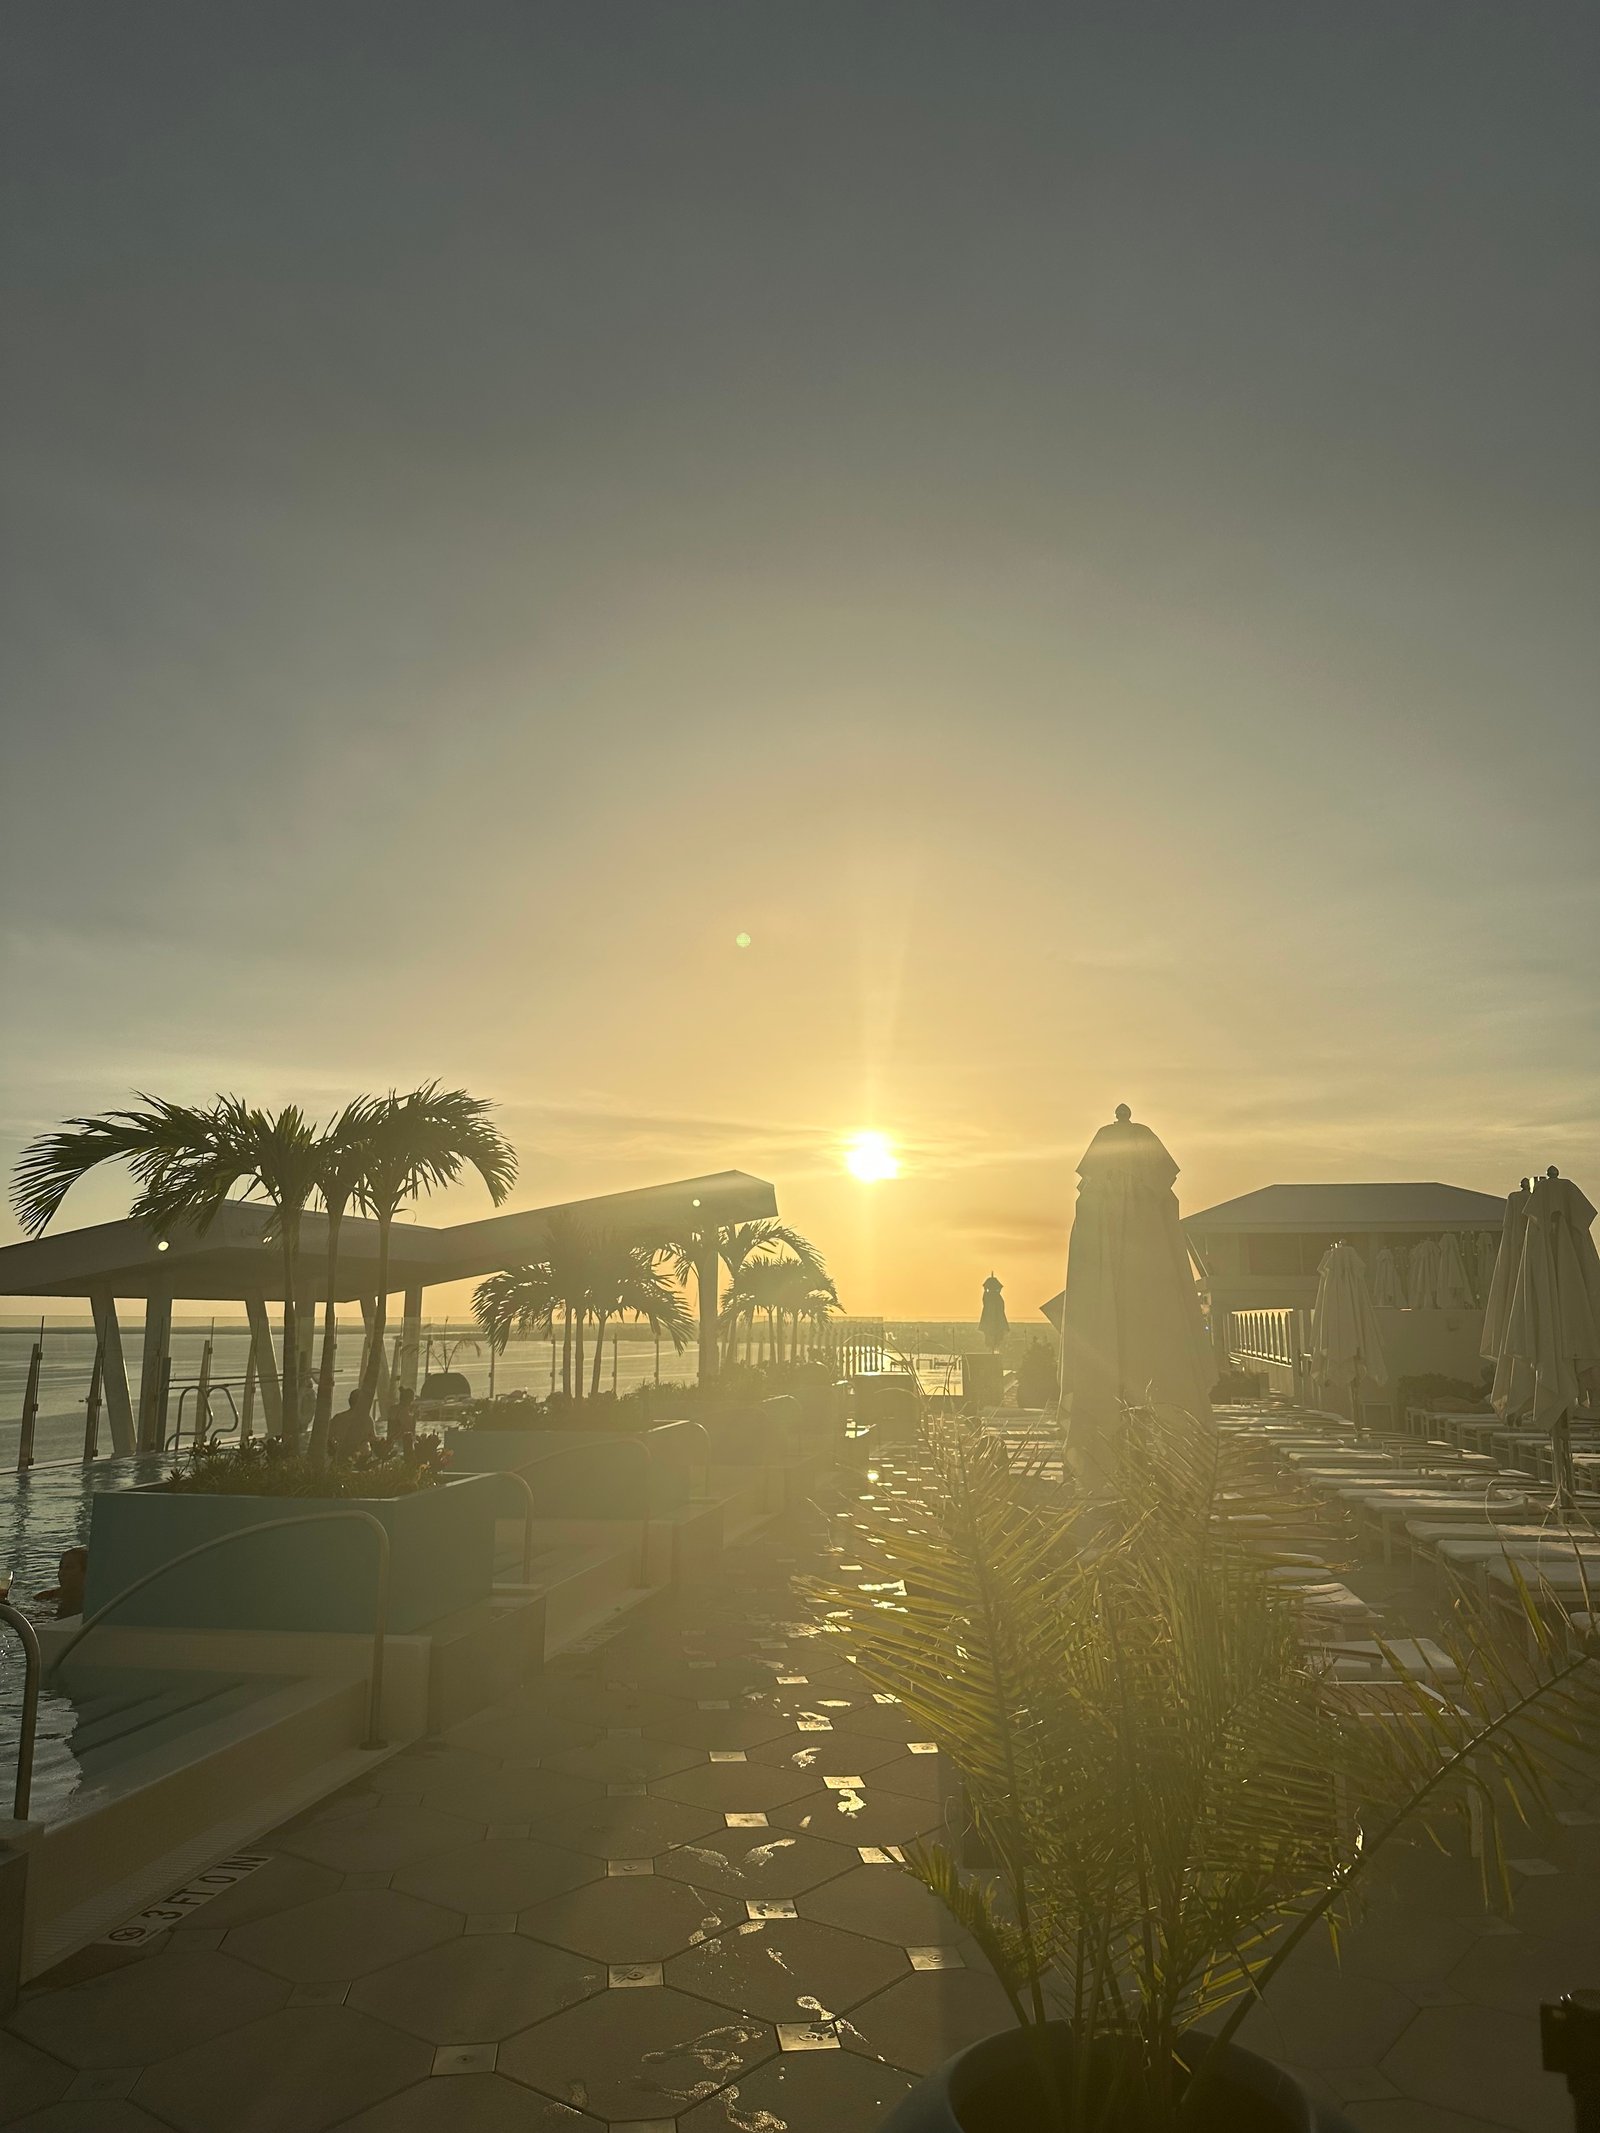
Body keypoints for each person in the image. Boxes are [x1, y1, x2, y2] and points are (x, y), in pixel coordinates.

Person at [36, 1546, 88, 1619]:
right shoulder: (45, 1597)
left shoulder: (93, 1601)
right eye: (61, 1567)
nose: (62, 1572)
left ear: (86, 1572)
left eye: (69, 1567)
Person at [329, 1387, 373, 1462]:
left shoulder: (338, 1418)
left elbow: (328, 1438)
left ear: (349, 1401)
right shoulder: (367, 1420)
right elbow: (371, 1439)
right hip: (360, 1459)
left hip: (340, 1456)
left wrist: (335, 1451)